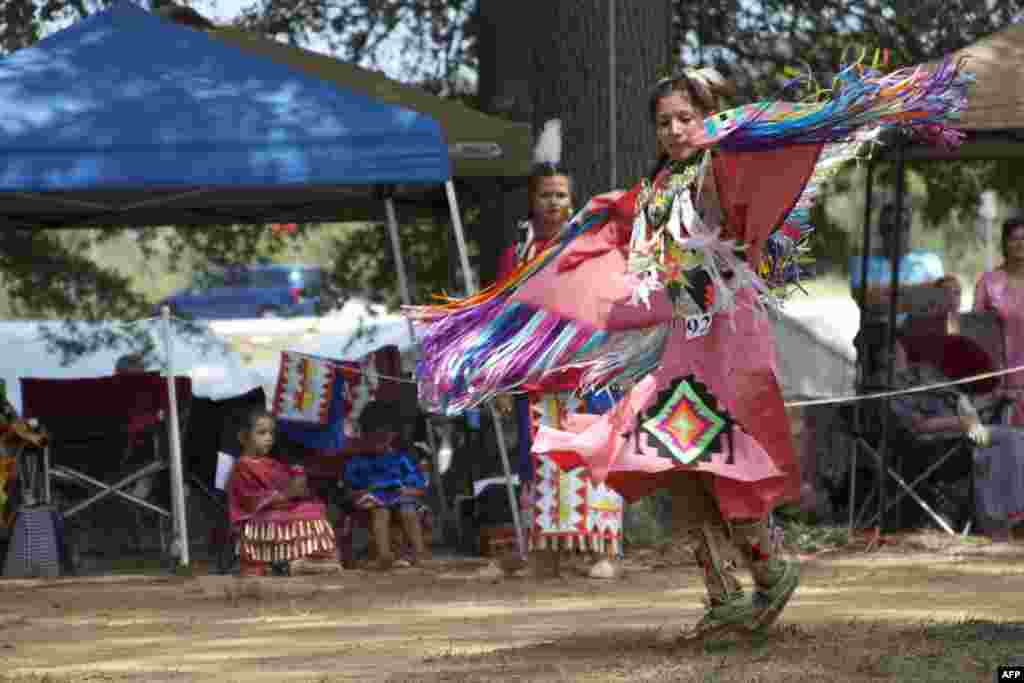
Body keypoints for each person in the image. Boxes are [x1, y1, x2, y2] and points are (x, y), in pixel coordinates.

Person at [410, 57, 969, 637]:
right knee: (673, 463)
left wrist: (753, 130)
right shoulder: (658, 186)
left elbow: (751, 185)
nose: (674, 131)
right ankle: (727, 592)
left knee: (717, 458)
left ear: (712, 117)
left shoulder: (727, 169)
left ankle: (768, 571)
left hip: (727, 341)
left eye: (686, 118)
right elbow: (631, 244)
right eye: (664, 122)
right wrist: (598, 220)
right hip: (681, 344)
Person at [495, 156, 624, 579]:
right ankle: (547, 551)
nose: (554, 202)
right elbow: (503, 315)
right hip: (534, 374)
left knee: (590, 456)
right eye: (546, 195)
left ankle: (600, 550)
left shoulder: (590, 245)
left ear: (573, 200)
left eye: (561, 195)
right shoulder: (517, 254)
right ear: (532, 201)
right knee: (542, 462)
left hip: (586, 369)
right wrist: (499, 373)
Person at [886, 334, 1024, 540]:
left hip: (966, 429)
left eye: (899, 347)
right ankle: (1008, 514)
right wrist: (962, 422)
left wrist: (990, 400)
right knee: (1006, 440)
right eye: (893, 349)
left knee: (1013, 439)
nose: (900, 351)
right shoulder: (892, 389)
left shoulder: (926, 372)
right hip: (935, 442)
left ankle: (1001, 514)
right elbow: (919, 425)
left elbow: (961, 400)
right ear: (883, 356)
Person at [226, 407, 341, 577]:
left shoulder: (272, 463)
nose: (269, 438)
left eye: (271, 433)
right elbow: (251, 501)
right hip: (256, 519)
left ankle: (307, 561)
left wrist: (299, 480)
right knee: (304, 515)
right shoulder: (242, 466)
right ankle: (293, 565)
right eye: (262, 433)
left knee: (315, 508)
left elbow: (292, 487)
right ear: (243, 437)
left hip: (281, 509)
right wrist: (287, 494)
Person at [343, 400, 429, 570]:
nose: (379, 440)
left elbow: (419, 489)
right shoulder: (358, 462)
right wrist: (365, 492)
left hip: (400, 497)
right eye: (374, 435)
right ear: (365, 435)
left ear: (393, 436)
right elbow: (348, 490)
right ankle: (384, 555)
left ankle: (420, 554)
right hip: (372, 499)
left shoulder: (401, 460)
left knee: (408, 510)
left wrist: (407, 491)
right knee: (380, 511)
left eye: (384, 436)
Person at [849, 202, 945, 321]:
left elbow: (940, 301)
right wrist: (919, 295)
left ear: (909, 229)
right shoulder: (862, 264)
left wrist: (885, 293)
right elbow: (870, 305)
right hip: (878, 335)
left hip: (917, 335)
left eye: (903, 226)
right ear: (881, 231)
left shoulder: (930, 261)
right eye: (890, 228)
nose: (897, 233)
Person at [974, 214, 1024, 425]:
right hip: (1001, 385)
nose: (1021, 244)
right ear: (1004, 242)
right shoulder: (988, 282)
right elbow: (974, 332)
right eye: (1014, 238)